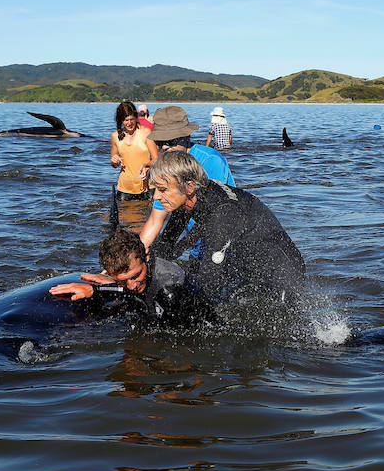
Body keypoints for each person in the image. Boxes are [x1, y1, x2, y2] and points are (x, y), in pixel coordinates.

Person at [148, 150, 305, 304]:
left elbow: (209, 282)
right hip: (247, 262)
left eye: (162, 189)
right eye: (155, 189)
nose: (156, 196)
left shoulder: (223, 211)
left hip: (282, 270)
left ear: (189, 187)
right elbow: (165, 246)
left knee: (207, 299)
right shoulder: (190, 198)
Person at [48, 228, 205, 324]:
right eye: (122, 281)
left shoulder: (170, 291)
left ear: (146, 257)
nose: (132, 286)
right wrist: (97, 290)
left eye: (136, 275)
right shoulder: (137, 279)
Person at [139, 106, 235, 249]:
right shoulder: (165, 166)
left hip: (223, 243)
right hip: (196, 246)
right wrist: (134, 257)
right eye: (160, 143)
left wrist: (179, 249)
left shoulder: (211, 161)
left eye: (170, 142)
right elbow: (155, 220)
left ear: (186, 137)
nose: (164, 147)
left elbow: (214, 214)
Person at [110, 101, 159, 201]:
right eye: (126, 120)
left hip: (147, 186)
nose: (129, 123)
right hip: (125, 188)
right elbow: (114, 164)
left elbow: (156, 160)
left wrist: (146, 165)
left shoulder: (146, 132)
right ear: (120, 121)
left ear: (136, 118)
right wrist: (114, 161)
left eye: (132, 119)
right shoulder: (115, 136)